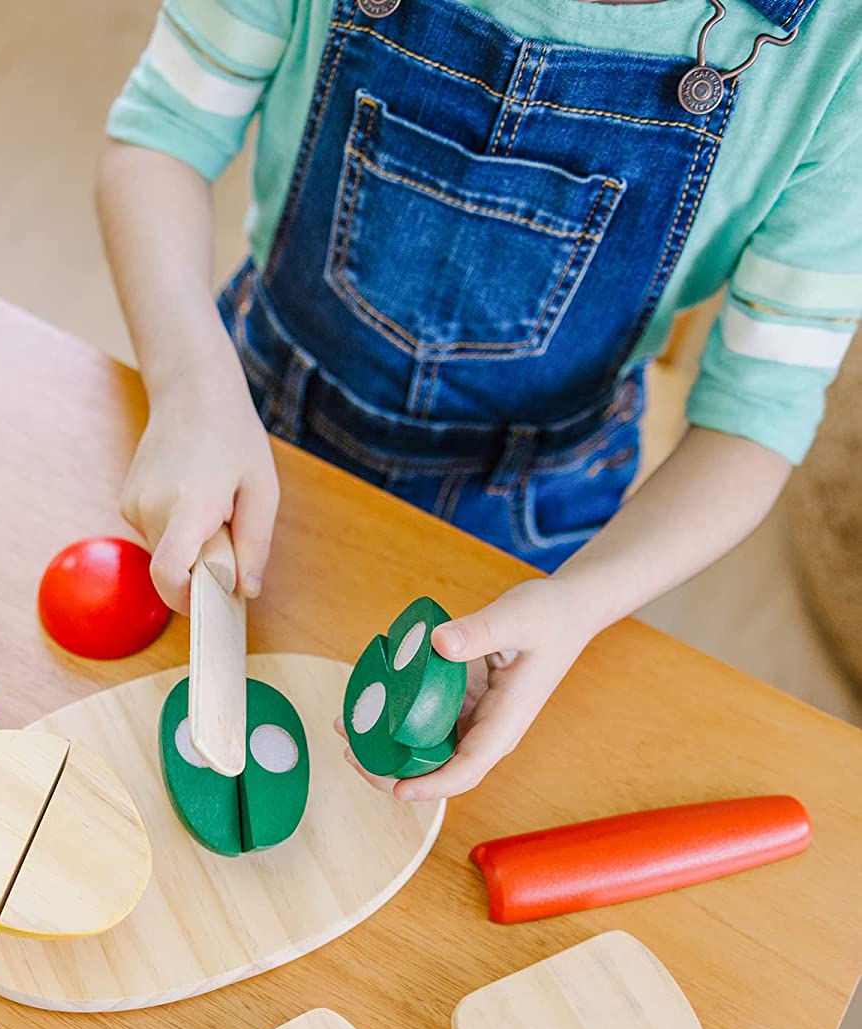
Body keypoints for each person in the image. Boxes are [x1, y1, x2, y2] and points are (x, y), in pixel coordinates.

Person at [96, 0, 861, 800]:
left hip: (537, 510)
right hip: (245, 409)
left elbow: (757, 418)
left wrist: (579, 605)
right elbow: (160, 137)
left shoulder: (840, 56)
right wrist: (189, 389)